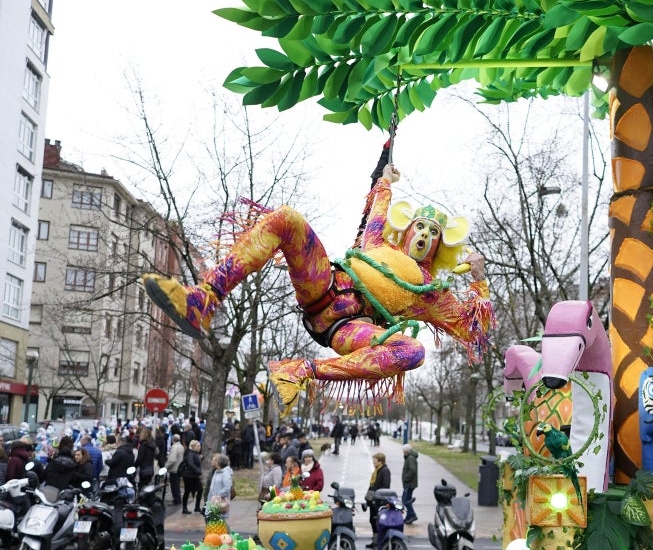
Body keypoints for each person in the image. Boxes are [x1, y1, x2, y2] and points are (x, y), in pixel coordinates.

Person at [142, 157, 492, 415]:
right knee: (288, 219)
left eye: (433, 233)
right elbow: (379, 205)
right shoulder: (376, 240)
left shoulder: (430, 291)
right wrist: (386, 179)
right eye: (420, 226)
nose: (424, 235)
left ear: (439, 245)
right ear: (408, 229)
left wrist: (479, 283)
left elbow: (472, 330)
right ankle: (204, 298)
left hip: (349, 328)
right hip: (325, 288)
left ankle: (302, 370)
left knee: (412, 351)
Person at [364, 452, 391, 548]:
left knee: (377, 520)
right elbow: (372, 485)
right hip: (373, 500)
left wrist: (377, 494)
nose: (373, 462)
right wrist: (368, 498)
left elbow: (386, 486)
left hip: (379, 501)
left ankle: (379, 539)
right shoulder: (376, 471)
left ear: (381, 461)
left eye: (375, 461)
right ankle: (375, 538)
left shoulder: (385, 471)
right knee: (372, 520)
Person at [205, 453, 233, 521]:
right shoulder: (217, 472)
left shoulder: (225, 473)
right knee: (211, 522)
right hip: (212, 502)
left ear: (220, 462)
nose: (215, 462)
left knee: (218, 524)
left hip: (219, 503)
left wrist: (218, 496)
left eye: (216, 461)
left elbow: (227, 487)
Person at [181, 439, 203, 514]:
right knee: (187, 491)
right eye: (198, 446)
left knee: (200, 489)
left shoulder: (196, 453)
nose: (200, 447)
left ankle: (197, 507)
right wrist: (198, 471)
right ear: (193, 446)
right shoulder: (190, 454)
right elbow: (191, 464)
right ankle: (184, 507)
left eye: (200, 446)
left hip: (195, 476)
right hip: (189, 476)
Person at [165, 434, 185, 507]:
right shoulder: (181, 446)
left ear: (173, 440)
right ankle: (178, 498)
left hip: (174, 469)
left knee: (174, 486)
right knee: (177, 485)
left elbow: (172, 459)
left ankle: (176, 499)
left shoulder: (174, 447)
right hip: (179, 468)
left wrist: (166, 467)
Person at [401, 443, 419, 524]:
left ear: (406, 451)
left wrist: (406, 478)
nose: (402, 452)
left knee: (405, 500)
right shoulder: (408, 457)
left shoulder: (410, 458)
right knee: (406, 499)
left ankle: (412, 515)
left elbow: (412, 470)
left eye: (403, 451)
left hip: (409, 483)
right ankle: (408, 517)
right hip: (409, 483)